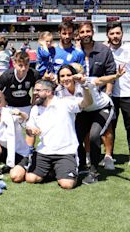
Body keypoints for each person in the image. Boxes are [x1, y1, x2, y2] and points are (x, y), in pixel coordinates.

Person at [55, 64, 123, 184]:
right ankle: (81, 165)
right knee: (75, 137)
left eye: (69, 75)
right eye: (62, 76)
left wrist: (116, 76)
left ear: (74, 75)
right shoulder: (59, 90)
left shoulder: (85, 81)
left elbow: (101, 80)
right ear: (59, 78)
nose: (66, 78)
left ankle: (94, 172)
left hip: (102, 108)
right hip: (84, 111)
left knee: (94, 136)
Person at [25, 79, 93, 189]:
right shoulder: (35, 109)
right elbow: (29, 129)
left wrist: (85, 86)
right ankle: (55, 170)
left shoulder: (65, 102)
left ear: (48, 92)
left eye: (38, 90)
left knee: (67, 184)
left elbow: (87, 102)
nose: (34, 93)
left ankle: (63, 170)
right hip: (44, 152)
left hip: (66, 152)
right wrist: (31, 130)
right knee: (30, 179)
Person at [78, 21, 117, 170]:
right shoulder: (76, 51)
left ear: (92, 32)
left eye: (88, 31)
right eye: (82, 32)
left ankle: (108, 156)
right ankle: (88, 156)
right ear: (79, 34)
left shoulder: (103, 50)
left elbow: (110, 73)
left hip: (101, 98)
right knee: (87, 131)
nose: (85, 34)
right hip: (83, 99)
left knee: (106, 129)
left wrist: (108, 93)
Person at [106, 21, 130, 163]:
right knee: (110, 127)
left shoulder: (128, 48)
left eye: (118, 33)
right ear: (108, 35)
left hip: (128, 95)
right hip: (110, 95)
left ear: (122, 34)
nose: (115, 36)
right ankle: (109, 156)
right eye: (112, 33)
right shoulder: (104, 50)